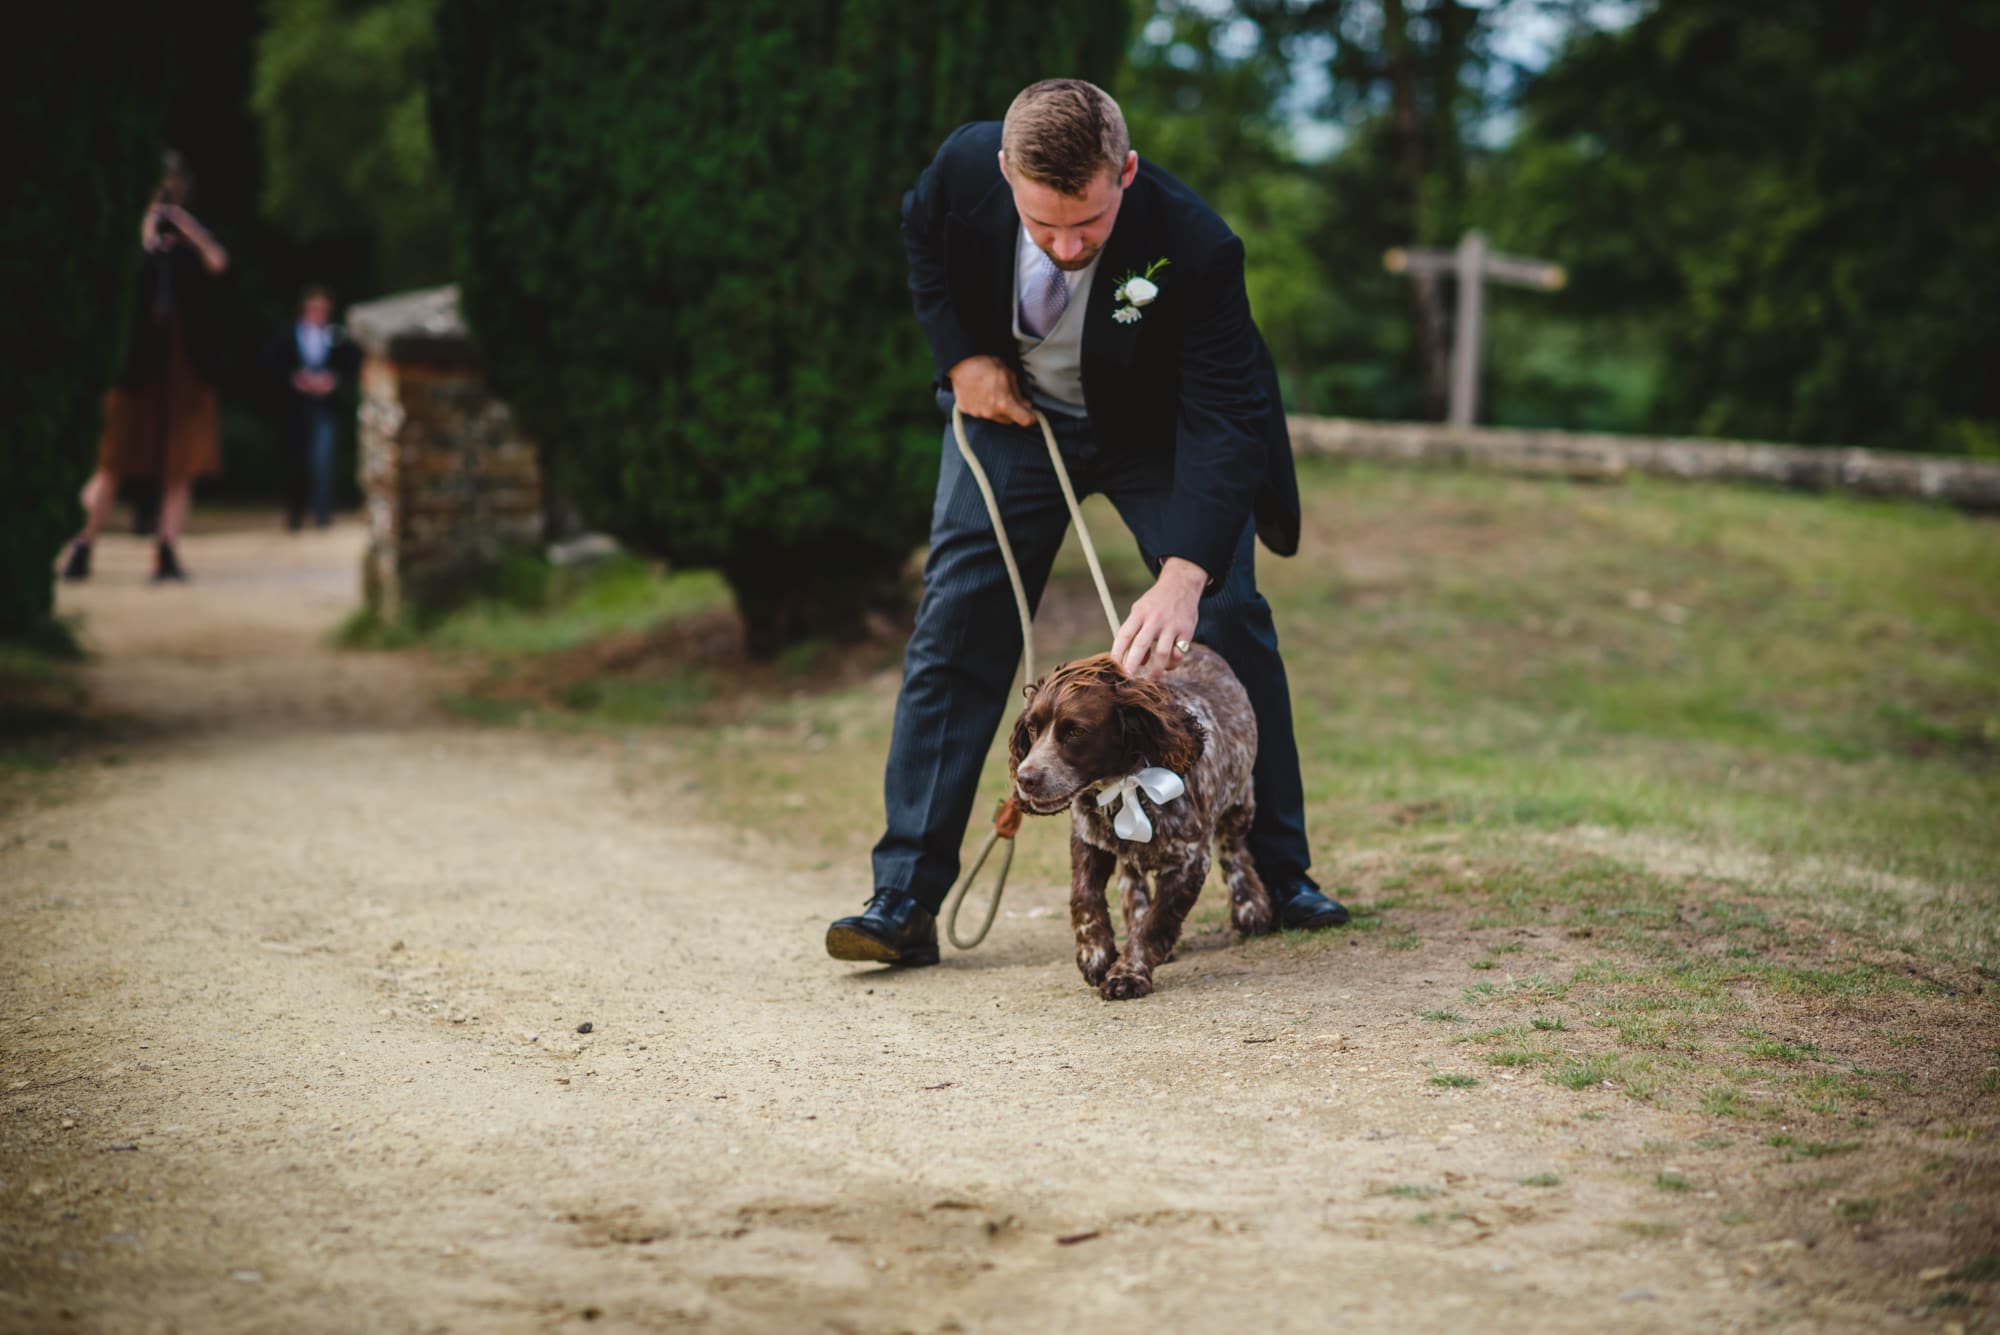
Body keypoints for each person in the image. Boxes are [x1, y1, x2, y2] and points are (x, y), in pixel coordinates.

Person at [826, 79, 1349, 968]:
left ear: (1127, 173)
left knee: (1223, 621)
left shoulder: (1199, 244)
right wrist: (961, 354)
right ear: (1003, 174)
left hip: (1162, 434)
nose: (1068, 247)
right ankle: (905, 896)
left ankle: (1274, 870)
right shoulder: (961, 169)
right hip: (1014, 419)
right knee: (957, 622)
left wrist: (1186, 573)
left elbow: (1228, 414)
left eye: (1091, 226)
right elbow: (922, 240)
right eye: (1044, 227)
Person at [61, 151, 228, 583]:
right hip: (136, 370)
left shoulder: (191, 243)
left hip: (186, 370)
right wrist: (145, 232)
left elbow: (219, 265)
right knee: (112, 460)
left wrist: (188, 230)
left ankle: (167, 547)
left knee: (182, 463)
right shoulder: (128, 237)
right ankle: (84, 541)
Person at [269, 285, 357, 531]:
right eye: (315, 308)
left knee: (323, 458)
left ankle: (322, 512)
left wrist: (333, 381)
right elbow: (274, 365)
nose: (320, 313)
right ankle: (295, 511)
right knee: (294, 459)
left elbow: (350, 367)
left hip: (325, 406)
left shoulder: (337, 335)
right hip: (295, 407)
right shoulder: (288, 334)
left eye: (324, 309)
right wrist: (295, 379)